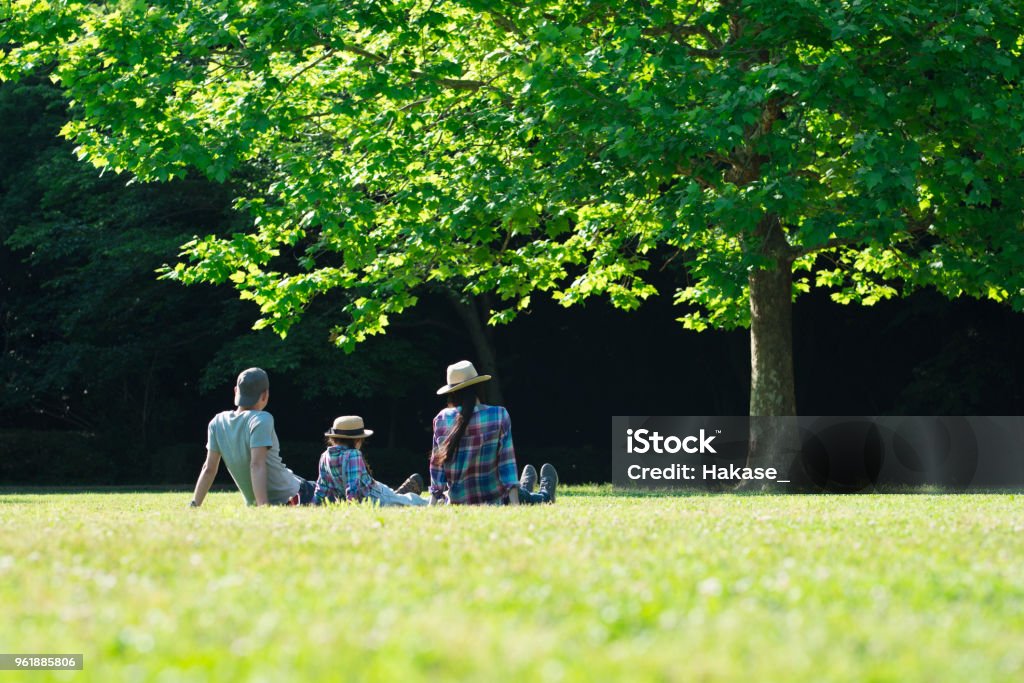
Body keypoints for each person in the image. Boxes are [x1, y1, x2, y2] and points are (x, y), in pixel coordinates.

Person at [429, 360, 557, 505]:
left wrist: (431, 504)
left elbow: (436, 469)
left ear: (452, 392)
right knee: (528, 498)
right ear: (478, 386)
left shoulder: (441, 419)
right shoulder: (499, 415)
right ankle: (546, 495)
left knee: (520, 494)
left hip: (457, 501)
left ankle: (524, 487)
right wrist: (515, 506)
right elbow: (506, 464)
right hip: (495, 499)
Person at [190, 368, 315, 507]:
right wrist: (263, 507)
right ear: (265, 395)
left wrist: (194, 504)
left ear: (236, 391)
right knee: (332, 491)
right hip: (294, 495)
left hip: (294, 486)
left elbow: (208, 468)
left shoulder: (217, 422)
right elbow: (256, 464)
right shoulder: (261, 419)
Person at [312, 415, 427, 507]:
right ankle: (432, 500)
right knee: (406, 501)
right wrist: (352, 505)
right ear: (357, 440)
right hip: (375, 496)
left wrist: (314, 504)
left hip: (375, 492)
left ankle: (424, 500)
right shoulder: (353, 455)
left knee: (402, 501)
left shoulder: (325, 456)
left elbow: (322, 487)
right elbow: (353, 487)